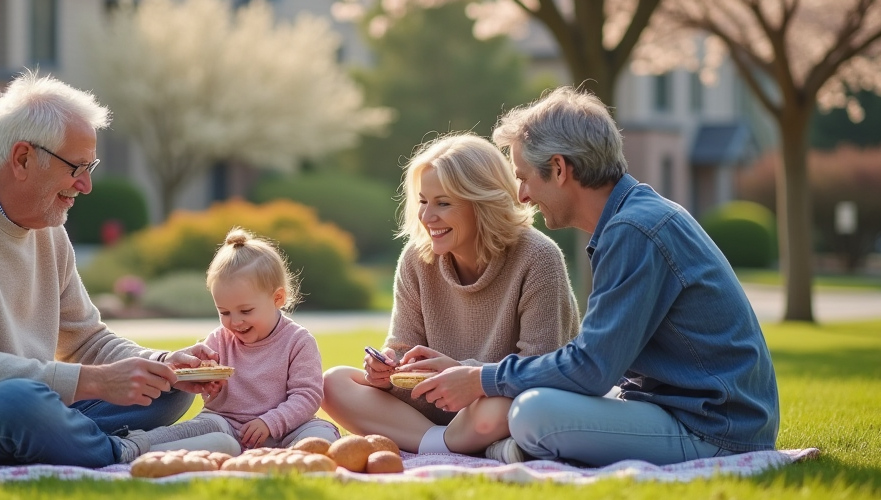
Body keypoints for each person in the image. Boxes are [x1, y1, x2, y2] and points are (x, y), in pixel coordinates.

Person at [0, 71, 239, 467]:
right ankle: (127, 450)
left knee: (167, 388)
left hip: (20, 397)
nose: (86, 185)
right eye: (77, 167)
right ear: (22, 158)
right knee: (22, 403)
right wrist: (95, 381)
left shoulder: (47, 226)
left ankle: (75, 438)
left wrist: (160, 363)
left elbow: (86, 340)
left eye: (90, 167)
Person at [411, 87, 780, 467]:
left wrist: (479, 379)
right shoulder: (633, 217)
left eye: (524, 178)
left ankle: (500, 447)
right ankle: (505, 448)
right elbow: (602, 363)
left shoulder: (635, 230)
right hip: (679, 408)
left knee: (532, 413)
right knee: (536, 401)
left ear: (559, 169)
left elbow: (592, 368)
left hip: (713, 428)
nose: (522, 196)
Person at [322, 134, 580, 457]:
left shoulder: (539, 257)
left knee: (513, 407)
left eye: (443, 203)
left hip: (494, 401)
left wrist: (465, 373)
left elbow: (540, 367)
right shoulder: (416, 259)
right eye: (423, 201)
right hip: (430, 406)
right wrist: (385, 372)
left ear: (483, 203)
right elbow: (402, 350)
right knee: (333, 383)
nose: (427, 217)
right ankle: (451, 444)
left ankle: (442, 441)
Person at [179, 228, 341, 449]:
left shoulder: (298, 341)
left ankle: (290, 458)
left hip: (285, 430)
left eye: (245, 311)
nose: (235, 322)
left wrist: (270, 422)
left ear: (278, 298)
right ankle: (143, 445)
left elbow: (307, 396)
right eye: (224, 312)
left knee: (321, 434)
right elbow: (209, 397)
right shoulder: (217, 341)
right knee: (201, 428)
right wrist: (209, 389)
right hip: (227, 425)